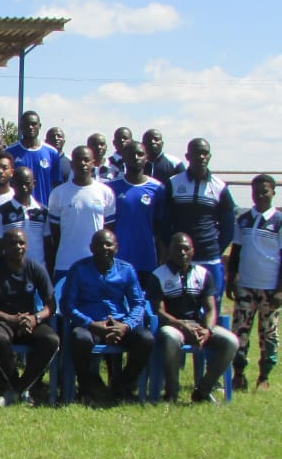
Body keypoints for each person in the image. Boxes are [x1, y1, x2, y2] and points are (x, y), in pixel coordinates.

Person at [60, 228, 154, 402]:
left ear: (116, 248)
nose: (104, 248)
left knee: (146, 339)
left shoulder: (127, 270)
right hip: (90, 325)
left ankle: (122, 385)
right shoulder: (79, 269)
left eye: (108, 244)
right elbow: (67, 304)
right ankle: (88, 385)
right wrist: (90, 324)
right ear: (91, 247)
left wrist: (125, 326)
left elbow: (138, 303)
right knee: (79, 338)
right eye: (99, 244)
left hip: (119, 325)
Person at [149, 232, 239, 404]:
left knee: (231, 341)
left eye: (186, 249)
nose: (182, 253)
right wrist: (182, 326)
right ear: (169, 251)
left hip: (198, 326)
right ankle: (171, 392)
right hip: (172, 325)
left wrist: (207, 329)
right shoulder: (158, 275)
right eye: (178, 249)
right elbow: (159, 312)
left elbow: (211, 308)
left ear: (193, 251)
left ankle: (203, 391)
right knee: (170, 338)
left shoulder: (203, 274)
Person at [0, 227, 58, 407]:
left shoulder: (35, 268)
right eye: (12, 243)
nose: (18, 246)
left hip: (28, 321)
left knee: (51, 340)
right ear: (4, 245)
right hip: (0, 320)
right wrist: (9, 318)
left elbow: (51, 305)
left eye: (21, 243)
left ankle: (18, 388)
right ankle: (17, 385)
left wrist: (35, 319)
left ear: (27, 246)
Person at [226, 174, 282, 391]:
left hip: (269, 288)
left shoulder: (278, 221)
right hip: (246, 286)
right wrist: (232, 280)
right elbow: (236, 252)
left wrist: (279, 290)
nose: (260, 195)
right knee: (240, 331)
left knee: (268, 333)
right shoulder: (244, 220)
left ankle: (264, 376)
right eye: (256, 191)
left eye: (264, 191)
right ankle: (239, 374)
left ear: (273, 193)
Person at [165, 137, 236, 300]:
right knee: (180, 306)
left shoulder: (219, 187)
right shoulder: (174, 184)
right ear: (188, 156)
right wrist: (171, 249)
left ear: (209, 156)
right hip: (180, 259)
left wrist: (216, 248)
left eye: (205, 153)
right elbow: (165, 222)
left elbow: (228, 225)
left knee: (212, 306)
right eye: (197, 153)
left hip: (209, 258)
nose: (201, 157)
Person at [46, 145, 116, 280]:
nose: (82, 163)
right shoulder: (58, 193)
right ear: (71, 164)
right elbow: (55, 232)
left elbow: (108, 229)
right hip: (66, 263)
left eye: (86, 160)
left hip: (96, 263)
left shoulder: (105, 192)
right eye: (78, 160)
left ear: (93, 163)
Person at [107, 139, 165, 290]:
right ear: (124, 157)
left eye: (140, 154)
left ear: (146, 158)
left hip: (146, 258)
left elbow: (160, 229)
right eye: (132, 154)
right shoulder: (111, 188)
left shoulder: (157, 189)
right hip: (118, 258)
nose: (136, 158)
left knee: (145, 304)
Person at [0, 165, 47, 266]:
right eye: (19, 184)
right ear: (12, 184)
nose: (24, 187)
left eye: (27, 183)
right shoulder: (1, 212)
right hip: (10, 271)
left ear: (34, 183)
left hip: (38, 269)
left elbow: (48, 244)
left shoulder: (43, 211)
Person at [6, 110, 63, 204]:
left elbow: (56, 185)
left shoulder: (52, 153)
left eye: (34, 124)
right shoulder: (10, 152)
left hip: (44, 209)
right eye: (27, 124)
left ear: (40, 126)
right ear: (20, 126)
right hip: (16, 209)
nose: (30, 127)